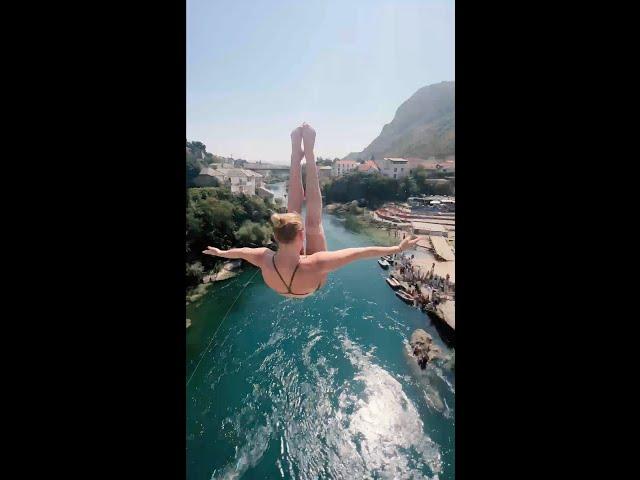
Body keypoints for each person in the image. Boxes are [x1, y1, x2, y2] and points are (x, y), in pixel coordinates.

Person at [203, 123, 419, 298]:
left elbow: (237, 252)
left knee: (312, 221)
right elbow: (361, 253)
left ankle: (306, 152)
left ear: (277, 238)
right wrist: (397, 247)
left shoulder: (265, 257)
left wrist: (221, 253)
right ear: (294, 236)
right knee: (308, 220)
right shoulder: (309, 262)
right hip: (309, 281)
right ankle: (300, 152)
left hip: (290, 282)